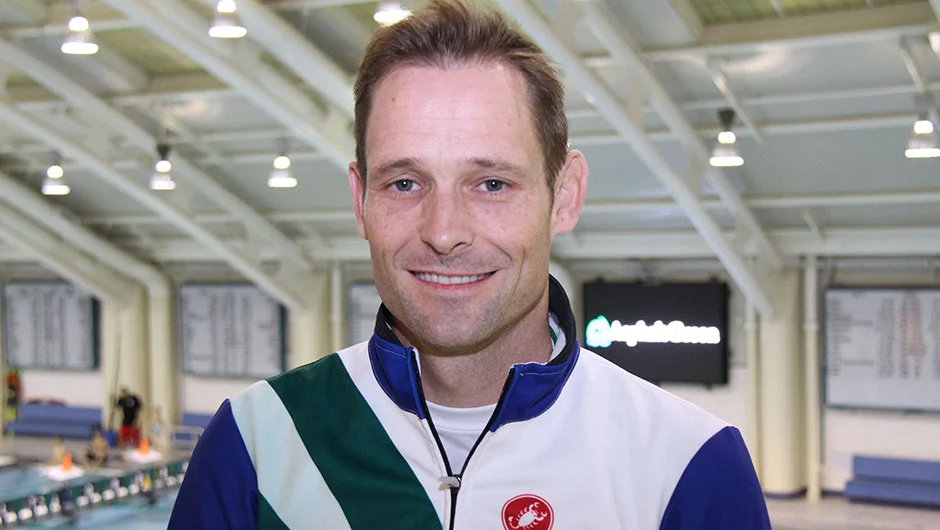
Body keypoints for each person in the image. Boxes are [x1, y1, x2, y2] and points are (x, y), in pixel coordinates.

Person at [169, 1, 771, 528]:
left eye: (491, 184)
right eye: (405, 183)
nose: (443, 233)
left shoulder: (687, 466)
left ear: (564, 196)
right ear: (360, 201)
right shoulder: (257, 445)